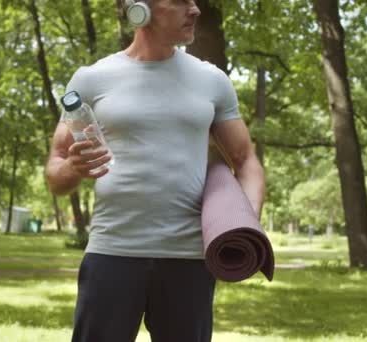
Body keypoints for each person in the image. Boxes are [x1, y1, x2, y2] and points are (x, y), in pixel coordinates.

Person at [45, 0, 265, 341]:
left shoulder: (212, 80)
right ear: (139, 9)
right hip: (112, 253)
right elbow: (55, 173)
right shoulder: (90, 79)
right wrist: (73, 168)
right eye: (180, 1)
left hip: (189, 260)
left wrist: (245, 227)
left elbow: (246, 160)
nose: (194, 10)